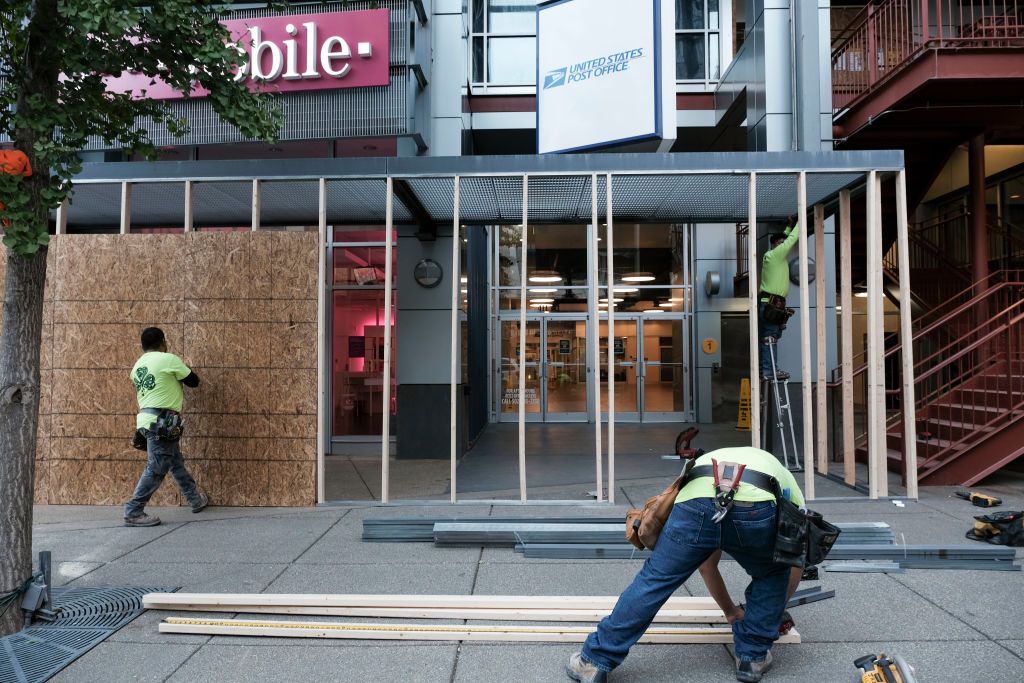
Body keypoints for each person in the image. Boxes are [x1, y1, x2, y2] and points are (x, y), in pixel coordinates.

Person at [566, 446, 805, 683]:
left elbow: (706, 565)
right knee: (772, 573)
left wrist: (730, 611)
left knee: (655, 580)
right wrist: (766, 615)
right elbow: (794, 560)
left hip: (696, 502)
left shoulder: (707, 462)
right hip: (756, 503)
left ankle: (593, 662)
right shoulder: (785, 480)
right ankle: (752, 658)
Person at [123, 327, 208, 527]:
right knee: (157, 466)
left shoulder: (137, 366)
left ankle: (194, 498)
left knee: (174, 460)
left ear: (143, 346)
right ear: (163, 341)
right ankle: (133, 511)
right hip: (161, 421)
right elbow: (193, 381)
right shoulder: (167, 359)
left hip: (145, 421)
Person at [758, 223, 800, 381]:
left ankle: (768, 370)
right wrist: (799, 222)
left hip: (773, 304)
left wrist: (788, 228)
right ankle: (769, 371)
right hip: (771, 303)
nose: (785, 246)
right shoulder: (775, 255)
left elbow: (784, 239)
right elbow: (791, 240)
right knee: (770, 338)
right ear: (777, 245)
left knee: (770, 337)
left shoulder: (774, 256)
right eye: (782, 243)